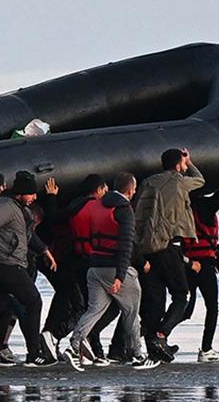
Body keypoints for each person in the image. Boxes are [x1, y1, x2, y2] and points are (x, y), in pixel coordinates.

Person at [63, 172, 159, 371]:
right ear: (131, 190)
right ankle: (138, 355)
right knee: (131, 312)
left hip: (94, 266)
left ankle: (73, 346)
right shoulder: (124, 210)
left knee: (94, 310)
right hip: (114, 268)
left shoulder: (97, 205)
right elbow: (125, 246)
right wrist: (120, 276)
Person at [0, 171, 58, 373]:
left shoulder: (17, 209)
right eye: (32, 194)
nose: (35, 197)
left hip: (0, 265)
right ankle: (34, 354)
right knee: (33, 301)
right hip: (4, 265)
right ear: (21, 192)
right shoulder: (5, 206)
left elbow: (27, 235)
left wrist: (44, 250)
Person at [134, 148, 206, 361]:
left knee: (155, 299)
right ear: (178, 165)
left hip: (147, 248)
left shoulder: (148, 182)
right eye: (182, 163)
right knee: (180, 295)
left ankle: (154, 346)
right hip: (169, 246)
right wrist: (190, 162)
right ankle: (161, 334)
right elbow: (200, 180)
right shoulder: (180, 182)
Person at [39, 174, 105, 359]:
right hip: (73, 261)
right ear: (98, 189)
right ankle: (55, 335)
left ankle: (52, 338)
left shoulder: (76, 203)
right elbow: (54, 218)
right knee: (81, 305)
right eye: (104, 188)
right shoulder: (87, 206)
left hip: (67, 260)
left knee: (66, 299)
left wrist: (52, 197)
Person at [182, 187, 219, 362]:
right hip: (205, 265)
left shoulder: (183, 207)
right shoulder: (207, 206)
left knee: (185, 308)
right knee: (212, 307)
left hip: (187, 263)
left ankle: (158, 335)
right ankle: (206, 349)